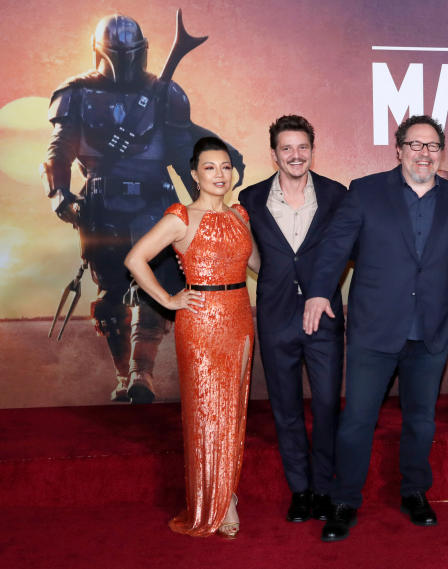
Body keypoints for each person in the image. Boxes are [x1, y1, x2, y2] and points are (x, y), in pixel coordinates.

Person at [43, 13, 244, 404]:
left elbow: (184, 151)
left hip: (155, 202)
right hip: (102, 204)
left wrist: (207, 207)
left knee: (158, 287)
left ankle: (141, 375)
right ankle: (124, 377)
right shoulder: (77, 92)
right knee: (113, 293)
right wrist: (60, 193)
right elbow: (60, 148)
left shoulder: (166, 93)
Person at [302, 115, 448, 542]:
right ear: (398, 150)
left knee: (421, 422)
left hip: (432, 333)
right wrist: (319, 292)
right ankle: (345, 500)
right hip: (374, 332)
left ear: (441, 153)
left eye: (432, 146)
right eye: (415, 145)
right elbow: (335, 247)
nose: (424, 153)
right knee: (358, 421)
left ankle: (415, 492)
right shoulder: (365, 192)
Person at [124, 137, 253, 538]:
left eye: (226, 167)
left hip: (239, 319)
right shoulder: (181, 216)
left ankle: (227, 492)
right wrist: (168, 299)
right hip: (200, 323)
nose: (220, 174)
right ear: (194, 174)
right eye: (210, 168)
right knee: (206, 414)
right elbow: (135, 258)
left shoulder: (240, 215)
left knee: (233, 410)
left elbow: (261, 265)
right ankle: (214, 503)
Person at [237, 116, 347, 523]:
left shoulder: (337, 195)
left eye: (302, 147)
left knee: (325, 406)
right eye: (287, 148)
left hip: (325, 318)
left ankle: (323, 487)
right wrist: (272, 275)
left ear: (312, 150)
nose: (295, 155)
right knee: (285, 407)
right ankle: (300, 490)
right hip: (276, 317)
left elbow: (344, 248)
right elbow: (247, 251)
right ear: (274, 154)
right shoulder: (250, 198)